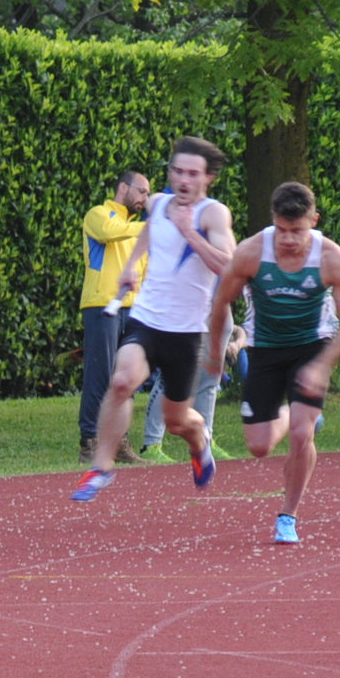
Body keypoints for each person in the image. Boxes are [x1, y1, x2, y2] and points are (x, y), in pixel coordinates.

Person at [75, 137, 235, 502]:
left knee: (177, 420)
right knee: (121, 382)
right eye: (177, 171)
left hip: (186, 332)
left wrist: (189, 232)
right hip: (147, 320)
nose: (183, 180)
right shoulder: (160, 204)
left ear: (208, 177)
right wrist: (131, 267)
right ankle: (100, 467)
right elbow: (149, 231)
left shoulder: (213, 214)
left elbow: (229, 266)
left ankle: (199, 440)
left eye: (192, 174)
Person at [205, 181, 340, 544]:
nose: (289, 239)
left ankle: (287, 516)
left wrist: (321, 366)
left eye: (298, 231)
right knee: (258, 446)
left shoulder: (333, 259)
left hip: (312, 347)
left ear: (314, 221)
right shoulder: (251, 253)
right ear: (272, 219)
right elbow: (221, 303)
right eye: (282, 230)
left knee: (302, 435)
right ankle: (294, 413)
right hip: (265, 347)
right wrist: (215, 355)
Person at [80, 170, 148, 463]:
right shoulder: (98, 214)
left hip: (133, 310)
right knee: (100, 375)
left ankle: (118, 442)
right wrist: (148, 228)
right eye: (142, 191)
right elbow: (109, 232)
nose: (145, 198)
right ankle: (89, 442)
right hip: (101, 305)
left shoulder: (136, 229)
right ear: (123, 188)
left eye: (148, 194)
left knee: (127, 377)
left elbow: (144, 270)